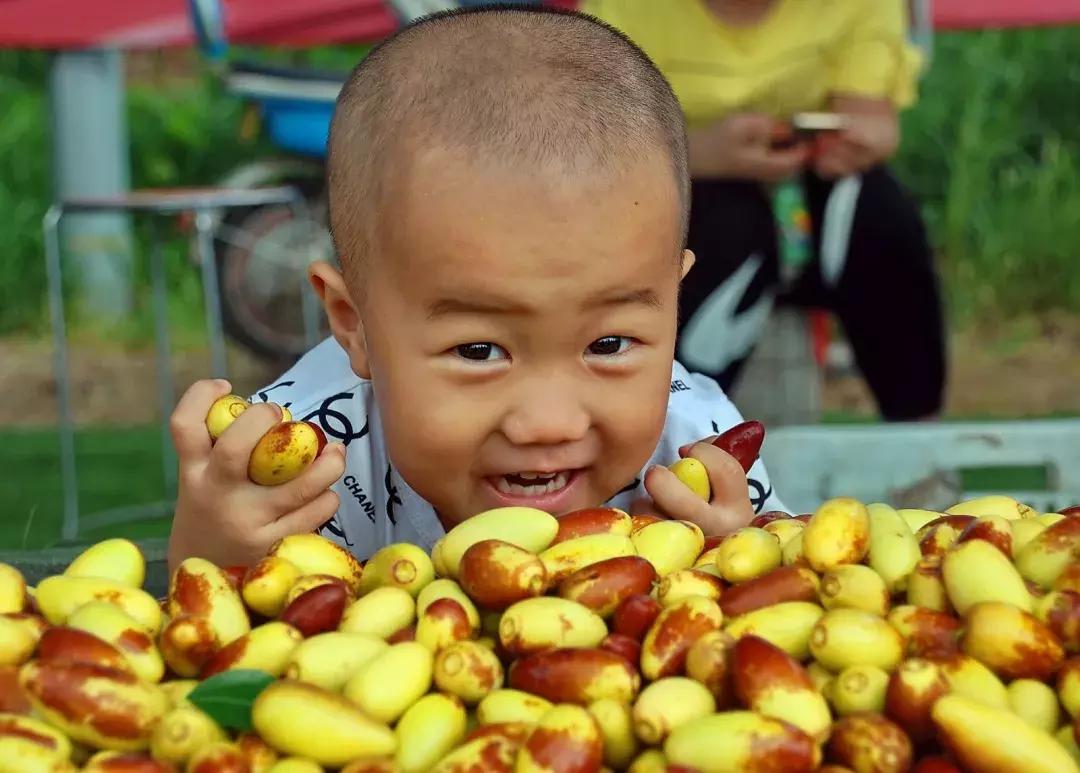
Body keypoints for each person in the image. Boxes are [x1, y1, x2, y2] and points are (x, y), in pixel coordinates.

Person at [166, 6, 787, 569]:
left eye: (609, 344)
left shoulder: (699, 446)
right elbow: (201, 632)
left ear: (673, 303)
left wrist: (732, 561)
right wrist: (216, 552)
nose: (547, 424)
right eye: (479, 351)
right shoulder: (303, 466)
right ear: (354, 324)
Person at [581, 0, 947, 422]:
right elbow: (597, 146)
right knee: (722, 225)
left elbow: (874, 119)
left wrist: (856, 140)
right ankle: (670, 428)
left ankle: (918, 431)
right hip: (691, 200)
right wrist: (700, 153)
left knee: (879, 215)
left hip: (814, 192)